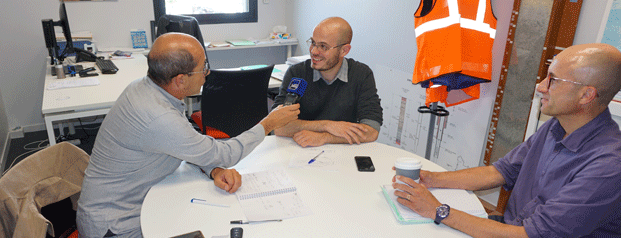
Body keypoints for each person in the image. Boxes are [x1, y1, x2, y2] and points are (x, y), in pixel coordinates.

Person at [76, 33, 300, 237]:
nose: (208, 72)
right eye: (203, 67)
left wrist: (212, 168)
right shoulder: (158, 116)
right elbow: (224, 153)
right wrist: (268, 123)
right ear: (180, 80)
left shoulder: (145, 88)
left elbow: (186, 141)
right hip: (115, 226)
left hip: (125, 203)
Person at [393, 43, 621, 237]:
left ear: (586, 95)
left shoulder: (609, 166)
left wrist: (438, 210)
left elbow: (530, 235)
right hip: (512, 227)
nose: (541, 87)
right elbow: (500, 172)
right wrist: (431, 179)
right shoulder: (557, 126)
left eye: (553, 80)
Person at [272, 17, 383, 147]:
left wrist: (325, 137)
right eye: (313, 43)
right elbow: (277, 127)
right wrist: (327, 125)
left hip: (343, 155)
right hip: (299, 150)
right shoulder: (297, 74)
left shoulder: (361, 74)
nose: (314, 51)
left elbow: (371, 131)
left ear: (344, 50)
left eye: (323, 46)